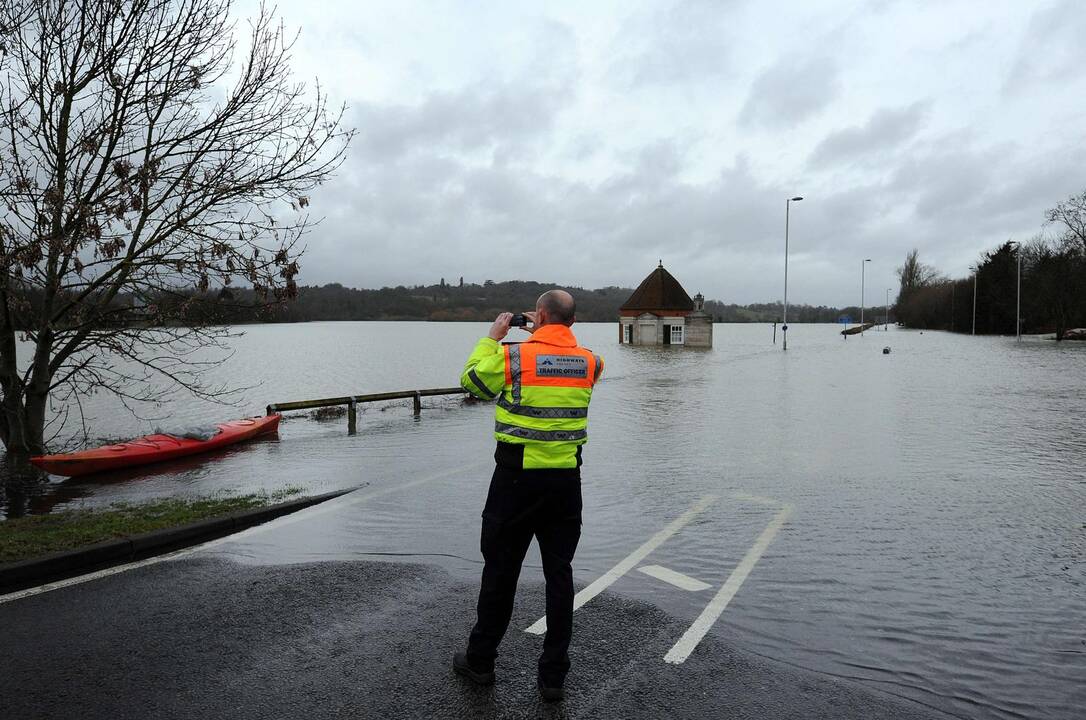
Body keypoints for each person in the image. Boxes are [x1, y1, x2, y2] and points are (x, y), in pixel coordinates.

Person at [452, 289, 603, 703]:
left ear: (537, 315)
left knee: (501, 571)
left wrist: (492, 337)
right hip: (565, 483)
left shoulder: (513, 356)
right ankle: (553, 676)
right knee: (559, 575)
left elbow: (472, 382)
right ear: (571, 322)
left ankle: (480, 661)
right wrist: (549, 334)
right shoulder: (591, 361)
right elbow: (565, 367)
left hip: (516, 481)